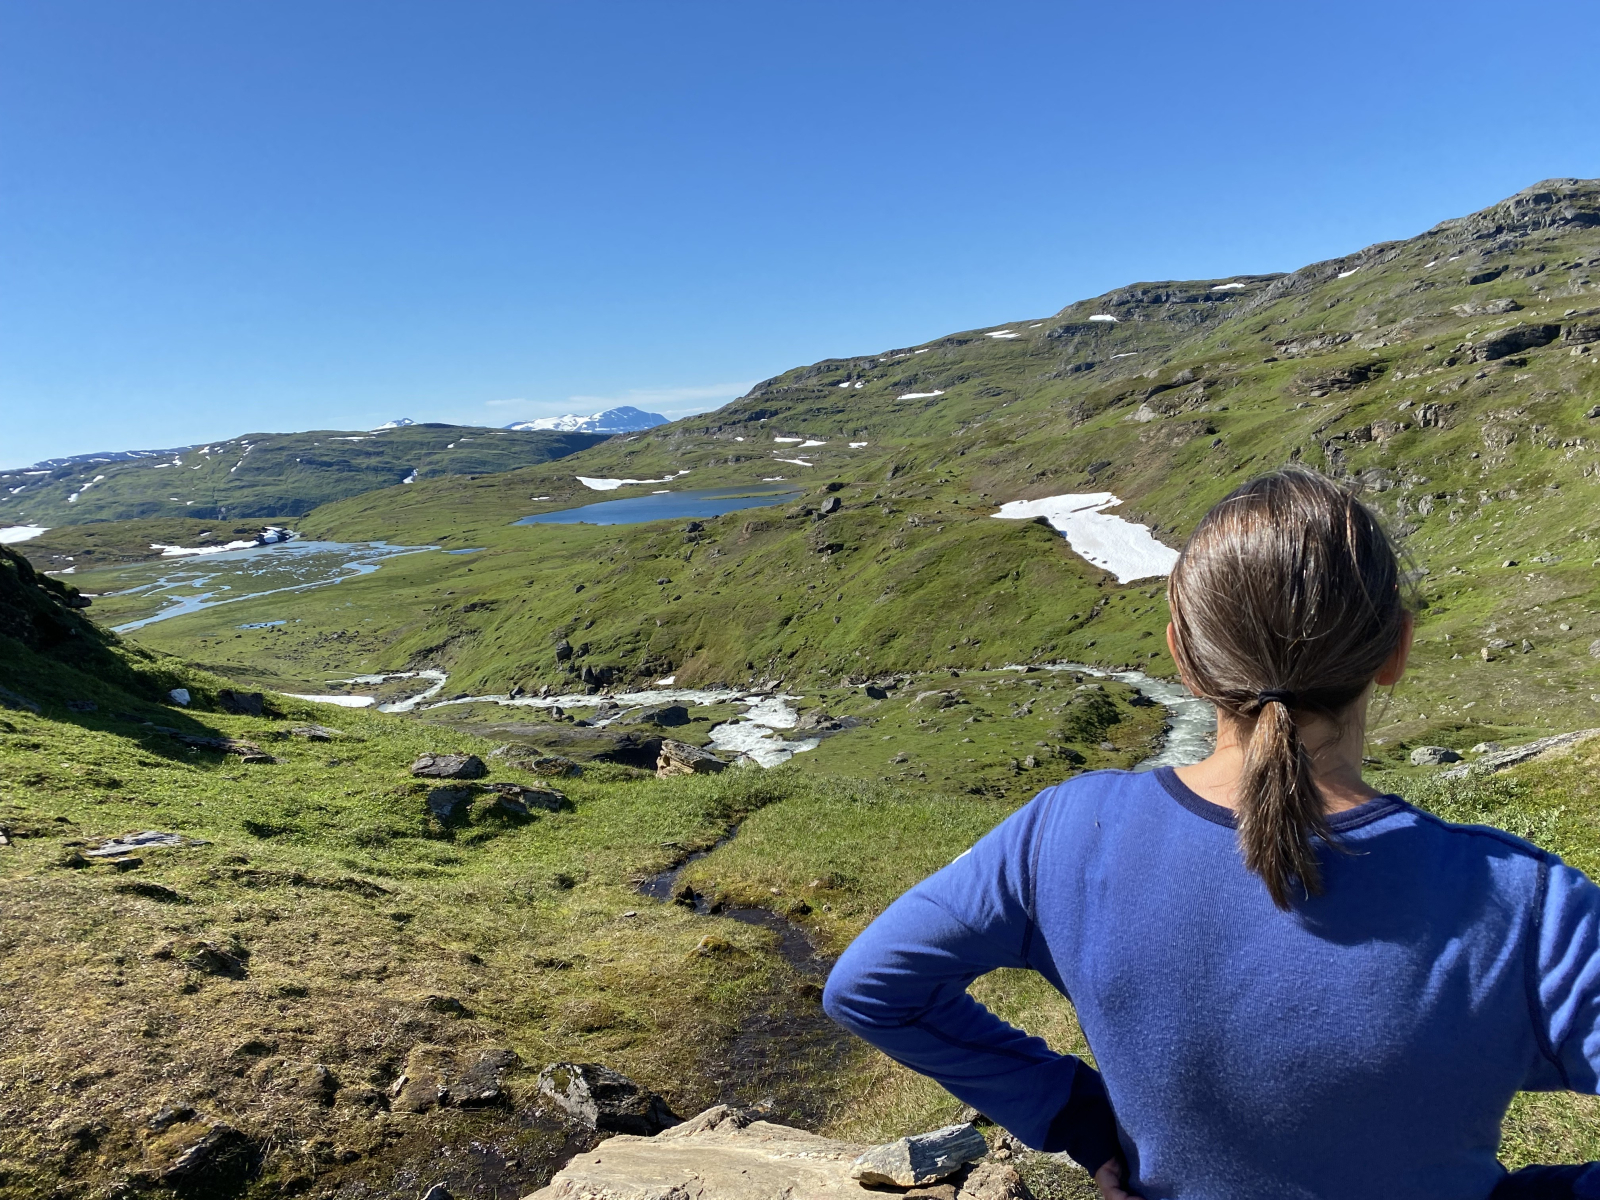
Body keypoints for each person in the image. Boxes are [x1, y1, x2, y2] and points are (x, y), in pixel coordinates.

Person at [823, 469, 1600, 1200]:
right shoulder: (1525, 903)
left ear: (1185, 659)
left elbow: (871, 988)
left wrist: (1083, 1120)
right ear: (1395, 649)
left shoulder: (1063, 832)